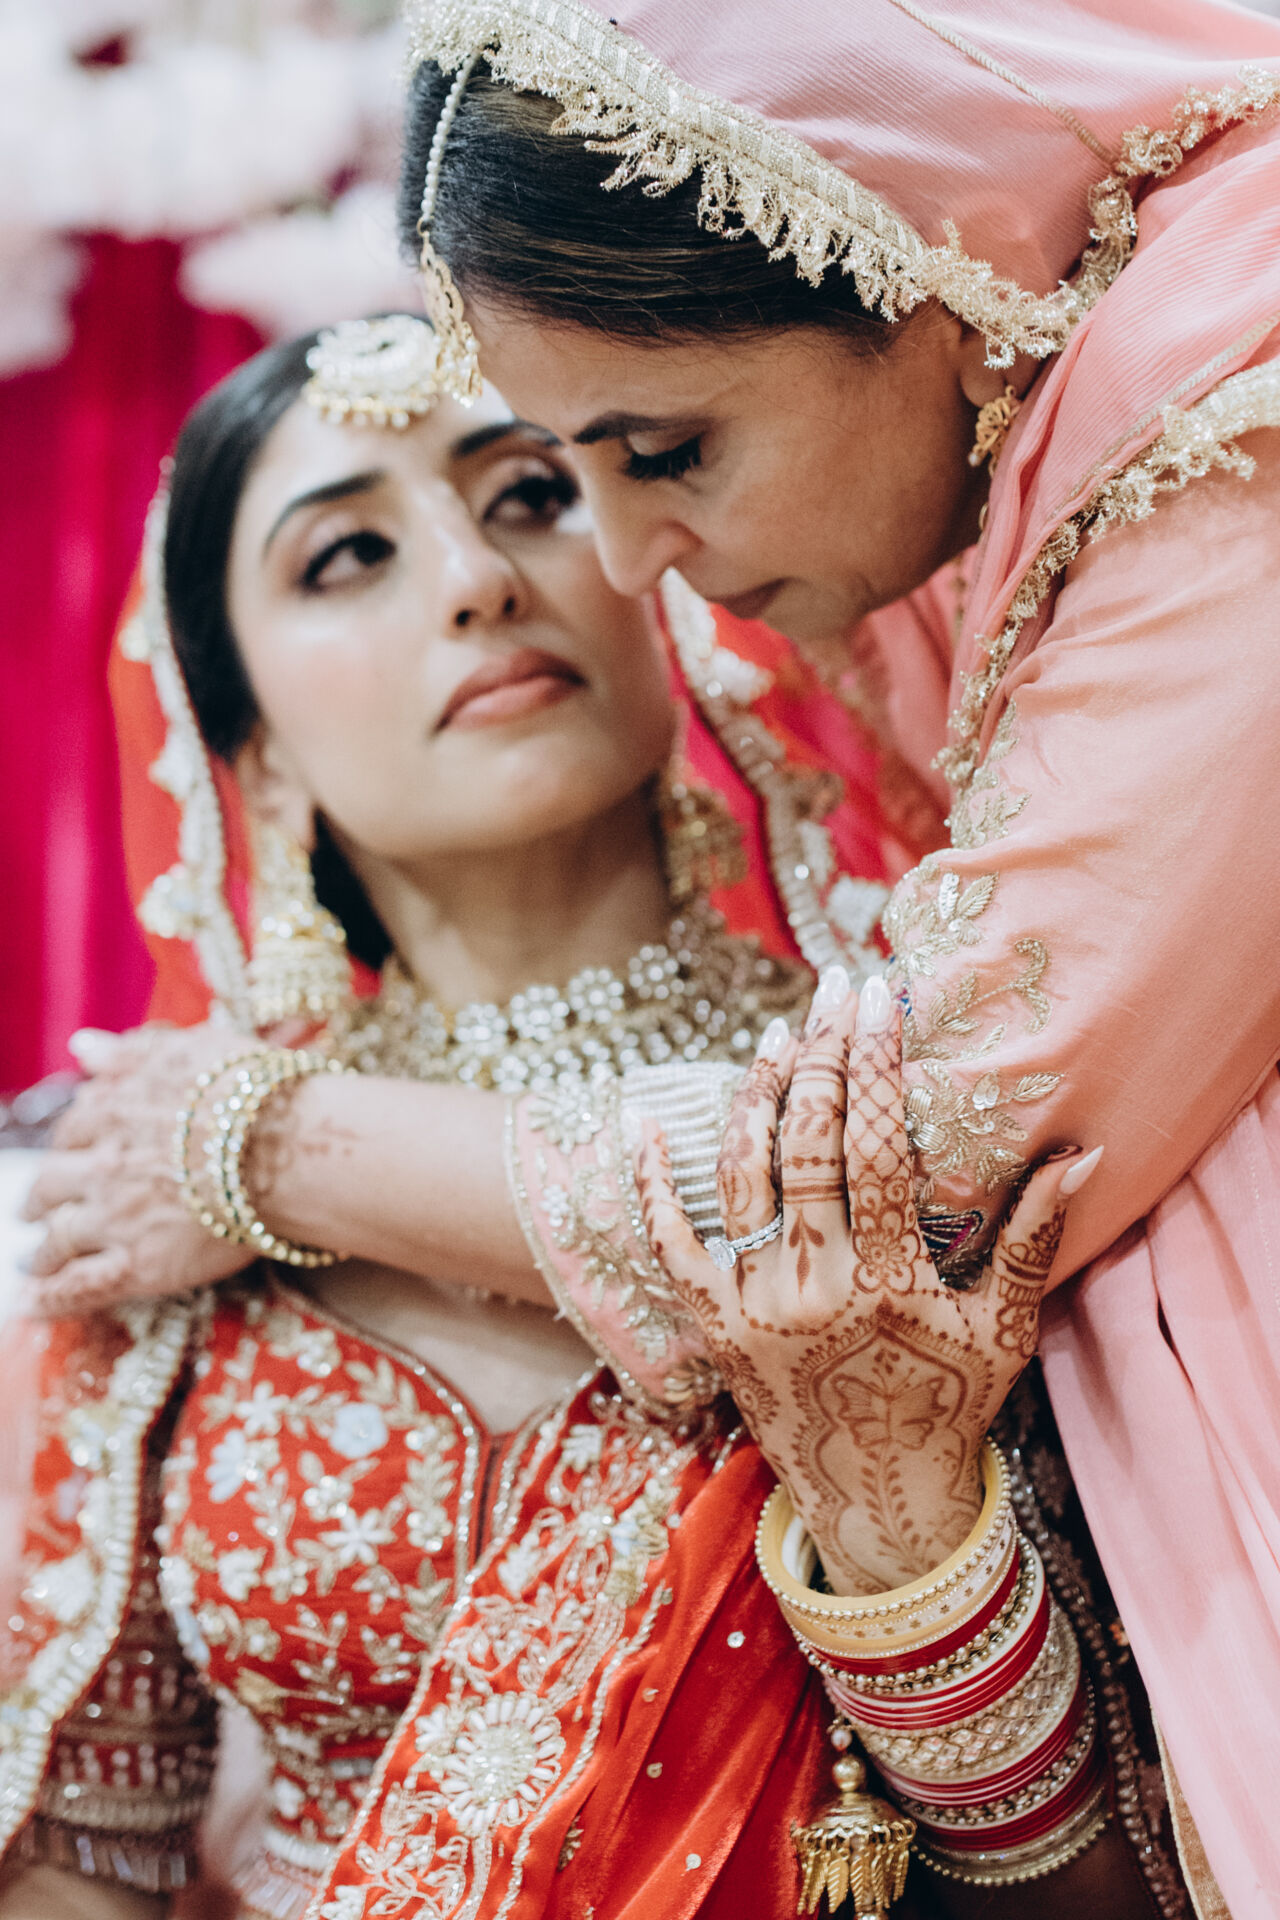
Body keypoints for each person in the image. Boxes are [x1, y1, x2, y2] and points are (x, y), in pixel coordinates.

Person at [1, 321, 1114, 1919]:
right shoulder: (161, 1183)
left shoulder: (905, 1080)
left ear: (664, 583)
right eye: (348, 555)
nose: (476, 580)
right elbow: (89, 1857)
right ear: (250, 750)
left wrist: (907, 1559)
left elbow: (1106, 1875)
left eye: (530, 495)